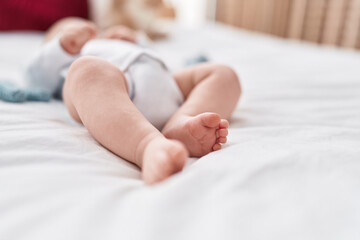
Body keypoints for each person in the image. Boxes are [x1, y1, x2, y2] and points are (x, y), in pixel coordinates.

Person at [26, 18, 241, 184]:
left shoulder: (119, 43)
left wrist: (134, 40)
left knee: (223, 74)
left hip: (164, 84)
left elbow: (164, 62)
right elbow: (37, 79)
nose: (84, 32)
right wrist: (61, 47)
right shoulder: (70, 56)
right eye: (69, 30)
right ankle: (148, 146)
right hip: (114, 93)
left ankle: (180, 122)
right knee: (85, 70)